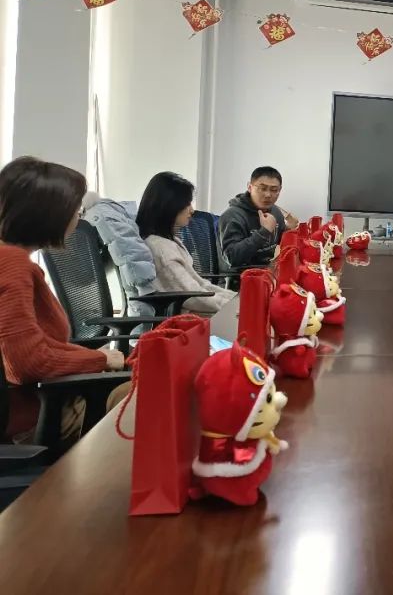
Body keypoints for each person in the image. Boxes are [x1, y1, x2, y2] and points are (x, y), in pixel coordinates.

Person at [0, 157, 125, 442]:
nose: (78, 217)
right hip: (32, 416)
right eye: (75, 210)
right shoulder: (12, 265)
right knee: (146, 401)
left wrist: (99, 358)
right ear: (49, 214)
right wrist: (100, 358)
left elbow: (38, 344)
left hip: (36, 402)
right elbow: (27, 363)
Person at [138, 172, 236, 314]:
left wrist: (237, 299)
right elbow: (194, 298)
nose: (192, 210)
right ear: (169, 207)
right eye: (186, 204)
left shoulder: (170, 241)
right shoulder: (161, 250)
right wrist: (237, 306)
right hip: (188, 319)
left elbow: (201, 286)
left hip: (196, 312)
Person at [218, 166, 299, 269]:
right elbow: (232, 258)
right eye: (262, 189)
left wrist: (289, 230)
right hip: (240, 276)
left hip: (267, 271)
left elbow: (281, 243)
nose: (268, 195)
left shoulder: (275, 211)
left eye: (274, 190)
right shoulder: (232, 216)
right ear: (249, 187)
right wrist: (264, 232)